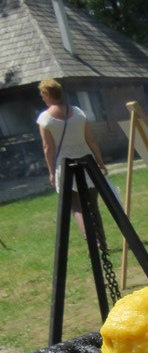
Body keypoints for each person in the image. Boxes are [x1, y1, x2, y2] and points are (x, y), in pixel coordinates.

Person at [37, 78, 108, 238]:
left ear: (48, 94)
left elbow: (48, 148)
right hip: (87, 162)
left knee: (76, 206)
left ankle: (92, 240)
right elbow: (91, 140)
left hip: (65, 165)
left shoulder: (45, 119)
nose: (42, 98)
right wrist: (100, 161)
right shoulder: (79, 112)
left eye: (42, 94)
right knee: (93, 205)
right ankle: (101, 239)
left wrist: (51, 172)